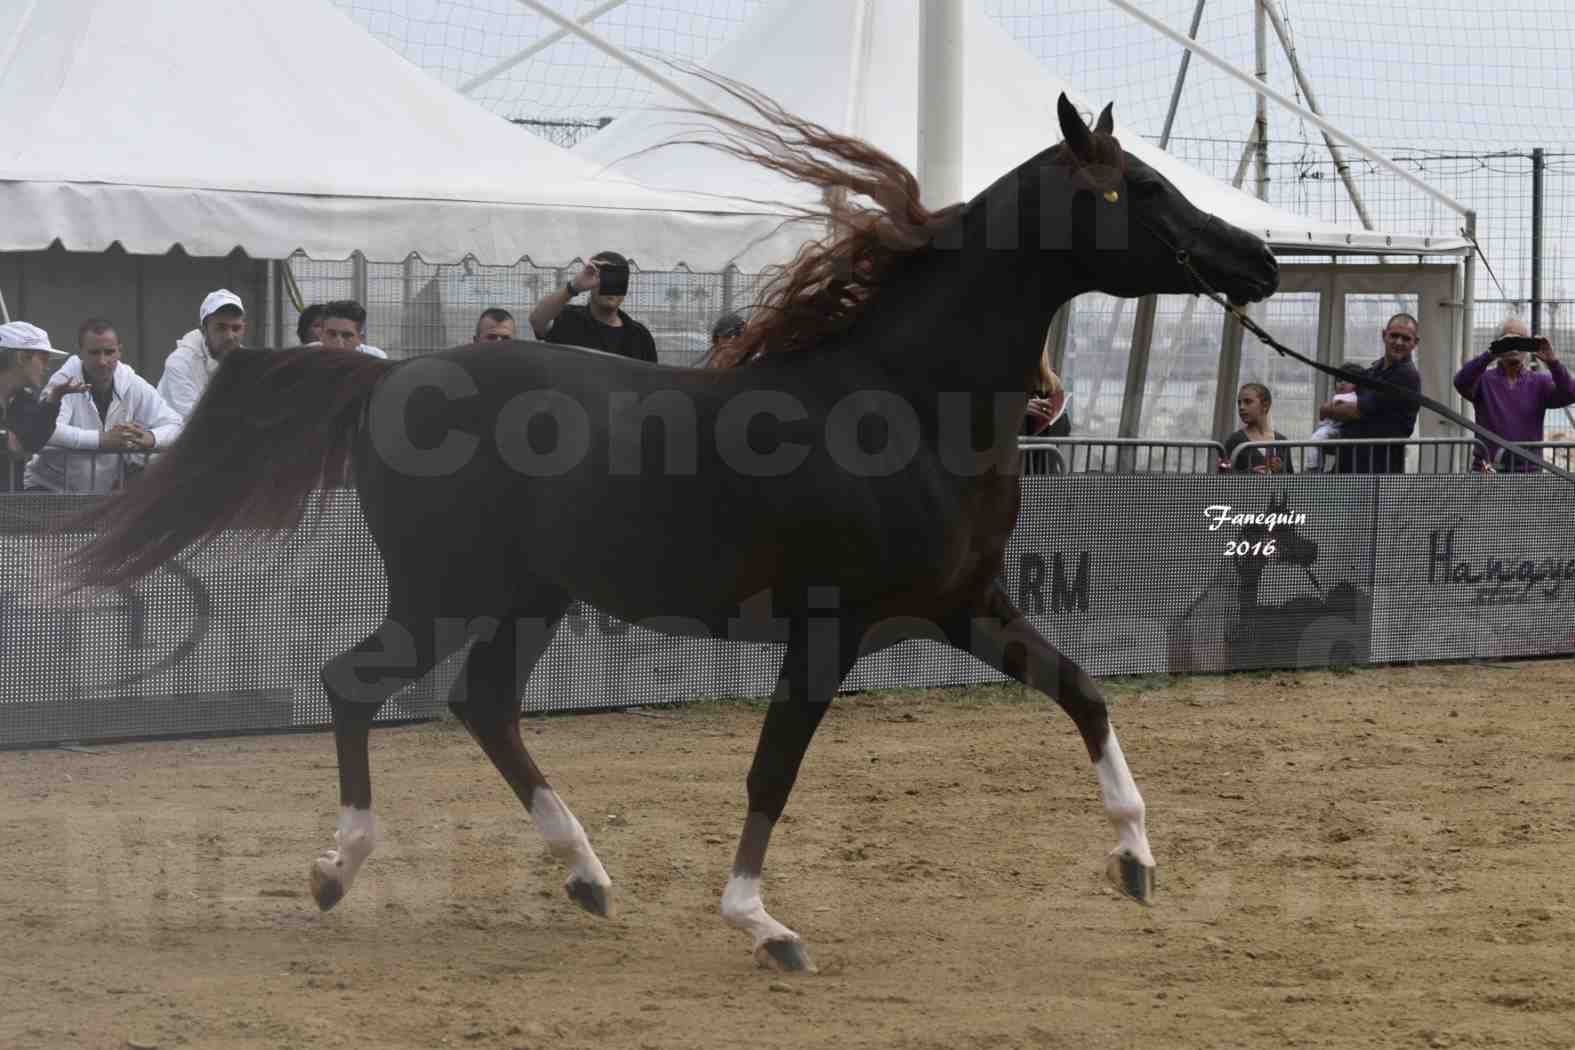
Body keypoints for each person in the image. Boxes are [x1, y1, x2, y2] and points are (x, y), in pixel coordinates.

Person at [25, 318, 183, 494]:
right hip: (48, 488)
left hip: (99, 495)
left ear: (119, 352)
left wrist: (150, 437)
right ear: (81, 353)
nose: (102, 361)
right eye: (94, 352)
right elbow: (45, 432)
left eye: (109, 352)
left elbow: (177, 426)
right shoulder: (63, 380)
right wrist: (101, 439)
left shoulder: (133, 384)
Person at [1453, 317, 1575, 472]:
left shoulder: (1540, 382)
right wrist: (1490, 354)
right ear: (1499, 344)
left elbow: (1570, 393)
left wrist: (1553, 363)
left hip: (1528, 471)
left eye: (1521, 341)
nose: (1515, 347)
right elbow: (1460, 382)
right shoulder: (1483, 381)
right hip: (1487, 470)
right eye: (1509, 341)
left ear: (1528, 347)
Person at [1318, 312, 1422, 474]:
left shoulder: (1406, 375)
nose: (1399, 342)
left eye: (1406, 338)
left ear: (1415, 343)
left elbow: (1357, 410)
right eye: (1394, 336)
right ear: (1384, 335)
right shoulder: (1375, 369)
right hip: (1352, 463)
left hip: (1377, 469)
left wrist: (1328, 409)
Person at [528, 251, 657, 363]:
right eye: (606, 277)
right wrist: (573, 287)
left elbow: (650, 381)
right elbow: (537, 321)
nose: (611, 285)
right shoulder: (568, 319)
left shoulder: (640, 336)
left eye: (618, 279)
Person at [0, 322, 81, 493]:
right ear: (22, 358)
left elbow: (34, 440)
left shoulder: (22, 398)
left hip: (8, 505)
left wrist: (54, 399)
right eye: (43, 359)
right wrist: (4, 439)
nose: (47, 367)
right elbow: (17, 445)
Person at [158, 289, 247, 419]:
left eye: (236, 328)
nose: (229, 336)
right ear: (204, 330)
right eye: (221, 328)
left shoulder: (247, 362)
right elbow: (196, 422)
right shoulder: (180, 363)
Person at [1219, 382, 1294, 474]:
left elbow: (1291, 479)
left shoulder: (1282, 441)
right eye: (1239, 403)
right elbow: (1222, 477)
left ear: (1265, 405)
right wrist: (1251, 474)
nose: (1241, 407)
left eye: (1248, 402)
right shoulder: (1234, 441)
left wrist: (1281, 470)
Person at [317, 300, 388, 358]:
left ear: (360, 339)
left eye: (347, 336)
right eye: (332, 334)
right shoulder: (309, 357)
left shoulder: (375, 357)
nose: (339, 343)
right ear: (320, 335)